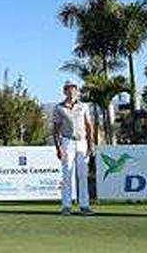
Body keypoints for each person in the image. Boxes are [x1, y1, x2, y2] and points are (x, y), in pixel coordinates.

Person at [51, 80, 94, 216]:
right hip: (67, 141)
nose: (71, 91)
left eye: (73, 88)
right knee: (67, 174)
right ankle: (66, 206)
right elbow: (55, 129)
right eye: (68, 89)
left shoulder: (84, 106)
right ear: (64, 91)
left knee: (82, 175)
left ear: (77, 90)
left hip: (82, 142)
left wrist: (91, 143)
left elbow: (88, 125)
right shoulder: (59, 108)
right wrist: (58, 147)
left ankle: (84, 205)